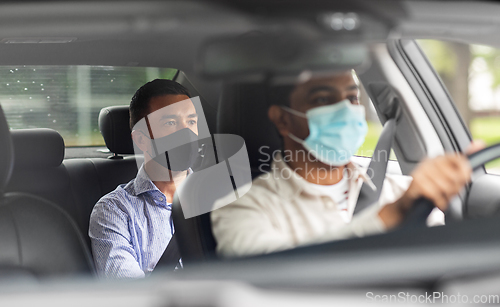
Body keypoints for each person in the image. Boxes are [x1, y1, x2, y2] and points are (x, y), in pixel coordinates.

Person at [211, 70, 481, 258]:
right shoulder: (239, 208)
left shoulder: (400, 189)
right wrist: (392, 216)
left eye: (352, 98)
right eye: (322, 100)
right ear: (283, 119)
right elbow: (272, 277)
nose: (345, 110)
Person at [89, 79, 198, 278]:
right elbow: (131, 294)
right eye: (171, 123)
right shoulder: (114, 211)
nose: (187, 133)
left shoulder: (220, 198)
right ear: (141, 140)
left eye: (191, 121)